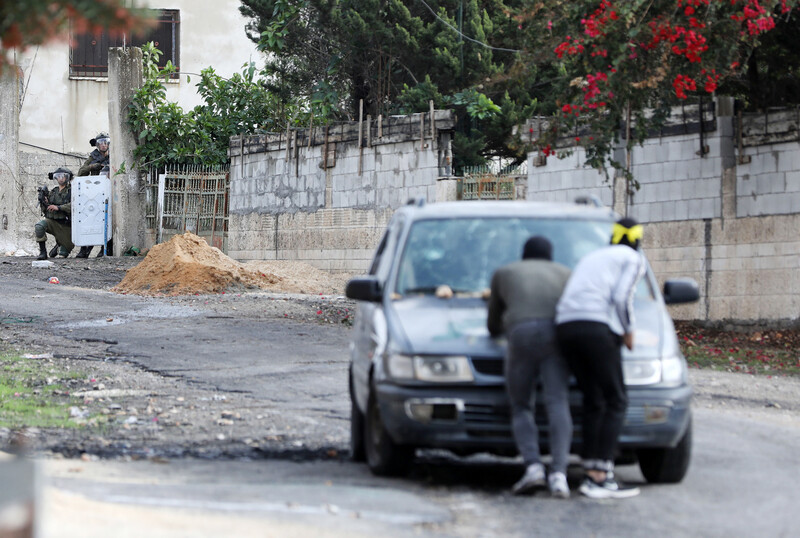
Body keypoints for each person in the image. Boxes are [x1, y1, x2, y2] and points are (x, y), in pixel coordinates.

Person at [555, 217, 647, 499]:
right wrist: (629, 330)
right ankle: (600, 474)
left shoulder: (594, 256)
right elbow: (622, 297)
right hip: (595, 327)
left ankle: (590, 471)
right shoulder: (633, 258)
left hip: (565, 327)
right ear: (637, 239)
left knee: (594, 398)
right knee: (617, 399)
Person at [487, 236, 573, 498]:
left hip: (520, 334)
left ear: (523, 255)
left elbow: (493, 323)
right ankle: (559, 474)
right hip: (557, 335)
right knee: (557, 401)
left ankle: (533, 467)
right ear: (550, 255)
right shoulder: (566, 273)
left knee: (522, 404)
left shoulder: (504, 273)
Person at [76, 132, 111, 258]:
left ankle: (105, 249)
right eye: (100, 143)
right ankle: (85, 249)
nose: (103, 145)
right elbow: (81, 173)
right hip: (94, 192)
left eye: (105, 142)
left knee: (108, 220)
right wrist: (93, 166)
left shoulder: (114, 155)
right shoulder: (93, 156)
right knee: (90, 219)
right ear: (96, 145)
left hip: (109, 190)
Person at [35, 168, 74, 260]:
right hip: (53, 222)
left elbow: (75, 204)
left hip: (67, 226)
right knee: (39, 226)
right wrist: (44, 202)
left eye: (63, 176)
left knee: (62, 256)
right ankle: (43, 252)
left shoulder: (72, 191)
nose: (60, 179)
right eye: (58, 176)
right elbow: (46, 210)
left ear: (67, 178)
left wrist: (59, 208)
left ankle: (59, 245)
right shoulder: (53, 192)